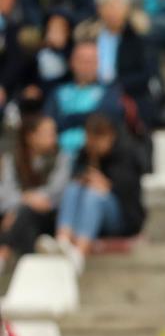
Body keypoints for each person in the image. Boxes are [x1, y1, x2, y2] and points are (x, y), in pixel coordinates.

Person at [51, 114, 144, 274]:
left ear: (110, 136)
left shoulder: (126, 154)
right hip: (88, 218)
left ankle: (79, 253)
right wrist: (86, 178)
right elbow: (76, 177)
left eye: (98, 139)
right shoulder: (85, 154)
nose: (93, 145)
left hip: (122, 218)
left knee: (94, 196)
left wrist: (108, 186)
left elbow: (131, 196)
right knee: (73, 188)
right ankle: (63, 240)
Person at [0, 113, 71, 272]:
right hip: (21, 215)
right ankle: (26, 265)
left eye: (54, 132)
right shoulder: (14, 158)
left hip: (51, 216)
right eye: (47, 133)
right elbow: (4, 195)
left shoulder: (62, 157)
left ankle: (3, 254)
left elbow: (55, 193)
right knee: (23, 215)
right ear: (30, 137)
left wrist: (22, 201)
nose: (53, 137)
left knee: (23, 214)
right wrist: (26, 199)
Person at [87, 0, 161, 130]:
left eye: (116, 6)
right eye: (107, 6)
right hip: (91, 89)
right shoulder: (89, 36)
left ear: (126, 9)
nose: (112, 12)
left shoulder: (139, 38)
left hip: (126, 93)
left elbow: (147, 74)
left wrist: (116, 85)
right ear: (99, 10)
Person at [45, 39, 121, 160]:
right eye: (82, 60)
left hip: (93, 157)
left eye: (91, 61)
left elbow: (104, 118)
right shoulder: (59, 92)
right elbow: (48, 123)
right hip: (56, 155)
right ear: (71, 62)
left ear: (98, 64)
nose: (86, 66)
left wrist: (69, 118)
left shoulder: (109, 91)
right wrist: (84, 118)